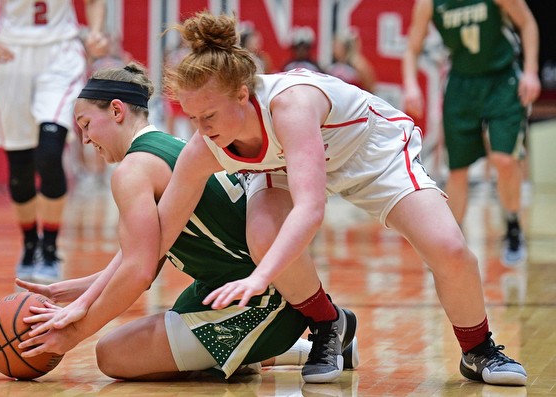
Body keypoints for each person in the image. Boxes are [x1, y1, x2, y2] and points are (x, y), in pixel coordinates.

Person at [157, 11, 527, 386]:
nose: (200, 129)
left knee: (449, 248)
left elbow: (310, 209)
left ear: (242, 95)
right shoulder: (205, 144)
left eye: (208, 116)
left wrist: (261, 276)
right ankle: (327, 322)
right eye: (192, 118)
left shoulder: (290, 106)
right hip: (284, 165)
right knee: (263, 237)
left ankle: (478, 349)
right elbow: (159, 231)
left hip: (369, 153)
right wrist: (102, 281)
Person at [0, 63, 358, 380]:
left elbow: (138, 271)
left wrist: (70, 336)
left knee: (112, 356)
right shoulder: (173, 147)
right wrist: (77, 291)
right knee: (134, 350)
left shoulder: (132, 171)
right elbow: (148, 253)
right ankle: (299, 347)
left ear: (116, 111)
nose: (84, 140)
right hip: (230, 285)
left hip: (256, 296)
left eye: (85, 125)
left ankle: (291, 339)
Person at [0, 0, 109, 283]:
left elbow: (94, 2)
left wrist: (96, 31)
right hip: (11, 57)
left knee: (49, 153)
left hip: (60, 54)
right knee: (20, 164)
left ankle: (51, 248)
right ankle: (30, 245)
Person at [402, 0, 542, 267]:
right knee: (457, 170)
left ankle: (513, 226)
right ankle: (453, 243)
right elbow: (412, 48)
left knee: (505, 160)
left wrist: (532, 71)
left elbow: (527, 22)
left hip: (502, 81)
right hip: (461, 84)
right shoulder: (429, 4)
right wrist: (410, 85)